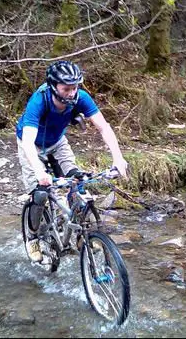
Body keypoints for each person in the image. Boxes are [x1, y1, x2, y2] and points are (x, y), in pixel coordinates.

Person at [16, 60, 128, 263]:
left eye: (75, 87)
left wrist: (118, 158)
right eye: (66, 88)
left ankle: (79, 235)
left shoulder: (80, 97)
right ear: (53, 87)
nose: (72, 93)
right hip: (31, 145)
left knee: (78, 182)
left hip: (57, 143)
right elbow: (28, 141)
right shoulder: (39, 101)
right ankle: (32, 237)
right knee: (39, 193)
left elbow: (104, 127)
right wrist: (40, 173)